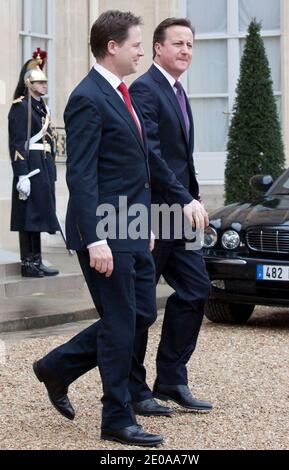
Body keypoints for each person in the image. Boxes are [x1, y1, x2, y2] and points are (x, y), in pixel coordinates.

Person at [32, 11, 165, 447]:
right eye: (136, 44)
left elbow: (133, 170)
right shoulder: (88, 97)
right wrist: (95, 239)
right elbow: (82, 175)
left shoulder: (122, 94)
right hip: (104, 232)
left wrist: (143, 223)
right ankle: (116, 418)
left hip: (132, 226)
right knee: (122, 322)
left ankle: (57, 366)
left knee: (141, 314)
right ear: (113, 47)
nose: (142, 50)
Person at [129, 18, 213, 411]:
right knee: (141, 307)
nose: (185, 51)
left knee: (196, 289)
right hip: (156, 214)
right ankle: (134, 390)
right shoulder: (146, 89)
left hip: (181, 213)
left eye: (190, 45)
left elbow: (181, 158)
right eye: (178, 43)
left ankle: (171, 379)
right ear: (158, 48)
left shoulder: (177, 91)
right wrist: (185, 198)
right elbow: (152, 155)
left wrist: (192, 197)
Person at [8, 49, 59, 278]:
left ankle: (37, 260)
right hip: (30, 166)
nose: (44, 85)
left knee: (39, 214)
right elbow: (17, 143)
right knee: (28, 215)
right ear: (29, 83)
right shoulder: (21, 107)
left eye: (45, 81)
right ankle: (28, 262)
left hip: (43, 164)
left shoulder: (41, 107)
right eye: (40, 82)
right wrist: (22, 175)